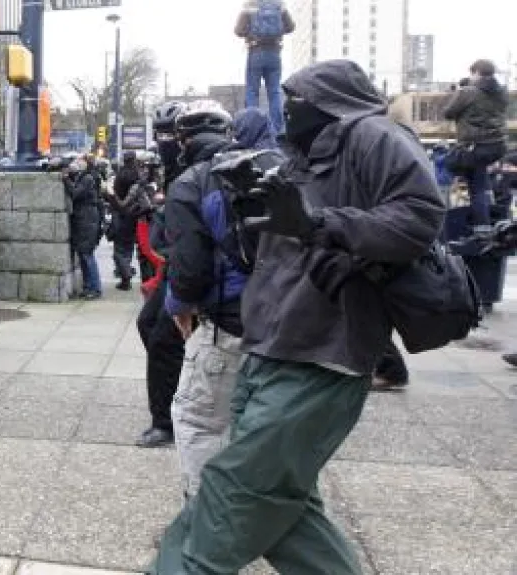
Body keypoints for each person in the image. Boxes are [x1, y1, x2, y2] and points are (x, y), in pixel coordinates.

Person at [150, 59, 445, 575]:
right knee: (284, 503)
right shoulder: (298, 153)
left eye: (296, 98)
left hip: (322, 351)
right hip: (270, 345)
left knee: (235, 491)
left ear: (330, 101)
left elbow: (420, 217)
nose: (286, 108)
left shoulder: (374, 136)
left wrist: (318, 223)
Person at [162, 99, 284, 497]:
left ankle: (205, 517)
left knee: (199, 422)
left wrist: (178, 307)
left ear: (183, 140)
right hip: (292, 325)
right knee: (266, 432)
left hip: (230, 325)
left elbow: (190, 269)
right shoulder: (276, 167)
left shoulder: (192, 183)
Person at [133, 101, 189, 448]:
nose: (163, 141)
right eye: (160, 134)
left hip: (187, 264)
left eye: (170, 134)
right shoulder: (171, 169)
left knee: (163, 339)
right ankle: (176, 395)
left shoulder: (192, 166)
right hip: (173, 263)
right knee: (147, 325)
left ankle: (165, 421)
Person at [444, 59, 509, 228]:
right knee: (479, 179)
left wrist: (459, 91)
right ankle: (486, 218)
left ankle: (481, 227)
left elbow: (448, 112)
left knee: (448, 164)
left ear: (477, 72)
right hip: (497, 146)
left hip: (475, 146)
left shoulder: (468, 92)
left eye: (471, 74)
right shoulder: (501, 92)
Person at [234, 0, 295, 135]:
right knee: (274, 92)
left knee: (252, 91)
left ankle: (251, 128)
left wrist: (251, 33)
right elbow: (291, 27)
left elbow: (238, 31)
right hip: (274, 52)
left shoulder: (250, 4)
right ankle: (277, 130)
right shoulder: (279, 5)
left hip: (255, 51)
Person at [65, 157, 103, 299]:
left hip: (87, 222)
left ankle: (95, 288)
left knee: (87, 255)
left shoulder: (87, 179)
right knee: (83, 256)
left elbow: (75, 193)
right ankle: (88, 287)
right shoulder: (83, 178)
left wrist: (66, 179)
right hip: (84, 221)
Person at [106, 150, 141, 291]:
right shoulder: (138, 174)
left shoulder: (120, 175)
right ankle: (126, 274)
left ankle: (126, 276)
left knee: (119, 250)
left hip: (120, 215)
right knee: (128, 247)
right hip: (134, 215)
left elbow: (114, 195)